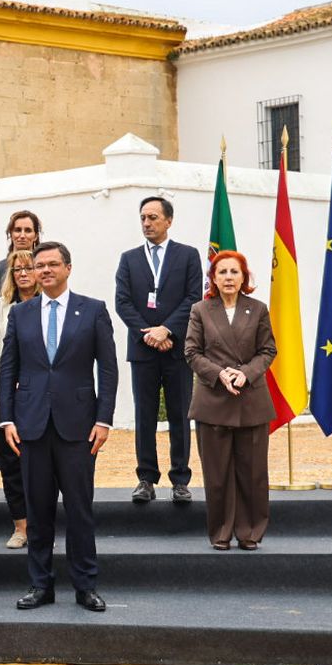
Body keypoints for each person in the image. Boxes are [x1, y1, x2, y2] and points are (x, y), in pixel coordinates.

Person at [1, 241, 117, 613]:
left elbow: (109, 369)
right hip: (31, 426)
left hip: (79, 427)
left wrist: (104, 419)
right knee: (38, 511)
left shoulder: (93, 310)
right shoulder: (20, 314)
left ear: (68, 268)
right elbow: (9, 370)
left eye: (52, 264)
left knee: (80, 510)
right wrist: (6, 418)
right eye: (39, 265)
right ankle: (40, 585)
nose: (45, 270)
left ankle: (86, 586)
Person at [184, 250, 277, 551]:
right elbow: (192, 353)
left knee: (253, 474)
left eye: (234, 272)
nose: (228, 277)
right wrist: (219, 374)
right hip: (213, 401)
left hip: (251, 400)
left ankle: (249, 533)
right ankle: (221, 533)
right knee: (217, 474)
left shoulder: (258, 309)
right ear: (212, 277)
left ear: (244, 277)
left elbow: (267, 351)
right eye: (221, 272)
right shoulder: (200, 309)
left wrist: (246, 373)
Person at [114, 196, 202, 504]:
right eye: (143, 218)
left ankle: (180, 479)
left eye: (153, 217)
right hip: (143, 350)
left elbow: (193, 297)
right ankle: (146, 479)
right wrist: (149, 334)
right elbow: (123, 302)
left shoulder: (188, 256)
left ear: (168, 220)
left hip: (177, 350)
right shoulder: (129, 259)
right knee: (145, 415)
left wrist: (168, 330)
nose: (147, 223)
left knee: (180, 414)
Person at [0, 249, 38, 550]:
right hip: (5, 398)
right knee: (11, 466)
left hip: (40, 397)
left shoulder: (48, 305)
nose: (24, 274)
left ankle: (41, 525)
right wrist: (4, 379)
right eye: (18, 269)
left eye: (29, 268)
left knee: (40, 465)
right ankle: (20, 526)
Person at [0, 210, 42, 315]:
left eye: (28, 230)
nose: (22, 235)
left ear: (36, 236)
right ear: (10, 233)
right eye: (17, 230)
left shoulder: (43, 267)